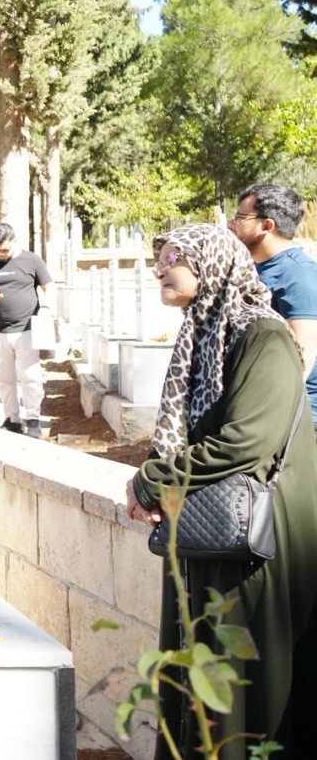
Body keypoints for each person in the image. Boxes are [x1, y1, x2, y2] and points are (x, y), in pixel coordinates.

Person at [126, 223, 317, 758]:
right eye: (161, 259)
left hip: (257, 544)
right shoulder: (204, 332)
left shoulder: (262, 335)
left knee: (243, 684)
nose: (160, 269)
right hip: (211, 533)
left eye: (174, 259)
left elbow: (247, 441)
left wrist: (152, 479)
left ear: (211, 265)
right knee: (197, 676)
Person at [229, 183, 317, 424]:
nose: (234, 223)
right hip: (256, 400)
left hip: (293, 414)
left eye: (241, 217)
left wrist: (272, 417)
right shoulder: (251, 268)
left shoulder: (299, 273)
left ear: (267, 225)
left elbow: (303, 353)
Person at [0, 222, 52, 438]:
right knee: (4, 379)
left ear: (14, 242)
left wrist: (46, 308)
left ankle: (33, 418)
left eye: (5, 250)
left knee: (30, 376)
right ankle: (12, 419)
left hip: (26, 329)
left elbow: (49, 287)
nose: (0, 254)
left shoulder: (32, 261)